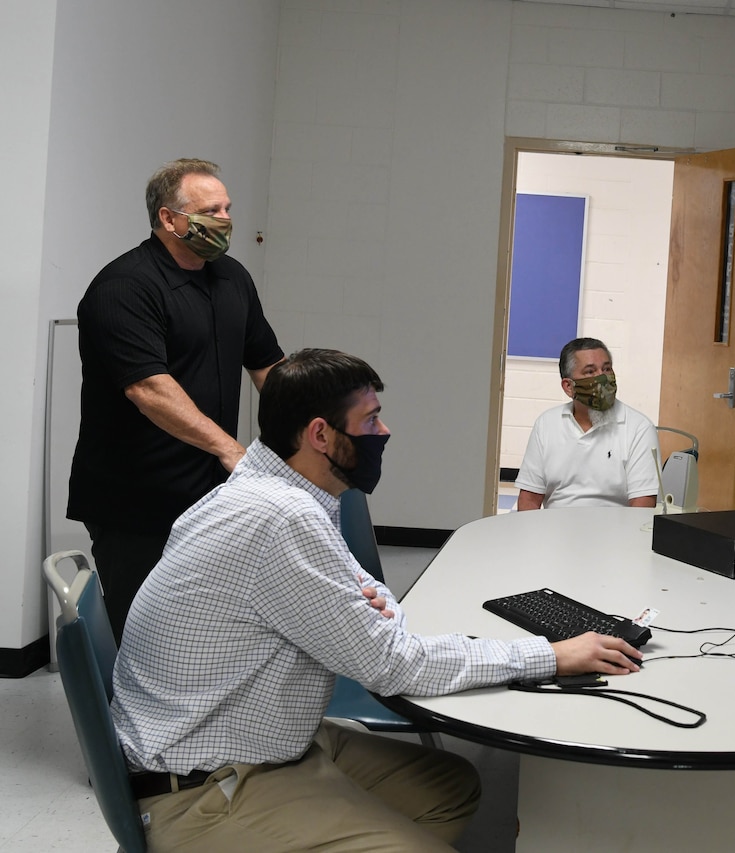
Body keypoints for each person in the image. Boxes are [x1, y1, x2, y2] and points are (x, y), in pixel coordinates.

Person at [110, 348, 642, 852]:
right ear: (320, 434)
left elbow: (363, 592)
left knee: (451, 787)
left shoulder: (270, 490)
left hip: (265, 739)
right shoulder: (283, 517)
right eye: (369, 421)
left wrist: (360, 606)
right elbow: (394, 666)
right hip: (204, 788)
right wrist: (552, 656)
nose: (383, 432)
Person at [68, 158, 284, 642]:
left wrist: (310, 429)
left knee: (205, 632)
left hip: (211, 495)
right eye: (212, 210)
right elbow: (149, 388)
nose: (226, 219)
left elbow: (268, 364)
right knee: (147, 636)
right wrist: (230, 448)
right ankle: (129, 720)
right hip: (137, 500)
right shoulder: (124, 287)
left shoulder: (232, 278)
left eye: (228, 207)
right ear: (170, 219)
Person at [515, 337, 660, 510]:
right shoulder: (546, 424)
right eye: (590, 372)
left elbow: (643, 505)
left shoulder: (639, 428)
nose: (602, 378)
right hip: (555, 531)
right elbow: (529, 499)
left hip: (614, 533)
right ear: (569, 387)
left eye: (606, 369)